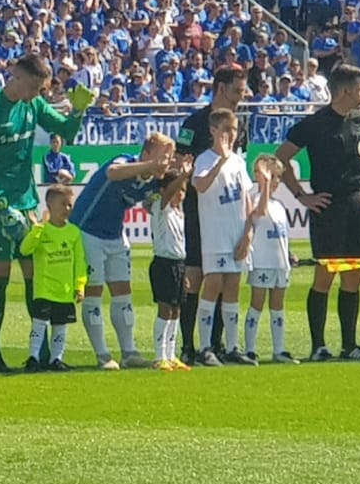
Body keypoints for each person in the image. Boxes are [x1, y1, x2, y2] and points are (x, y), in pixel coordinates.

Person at [0, 54, 91, 372]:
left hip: (25, 205)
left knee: (34, 277)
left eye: (41, 88)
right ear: (16, 76)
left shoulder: (33, 105)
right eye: (34, 86)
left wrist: (78, 110)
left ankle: (41, 354)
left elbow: (67, 130)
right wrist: (0, 205)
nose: (37, 93)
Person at [276, 64, 360, 361]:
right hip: (328, 207)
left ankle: (350, 345)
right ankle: (319, 345)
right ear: (344, 91)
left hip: (357, 205)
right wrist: (302, 196)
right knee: (325, 275)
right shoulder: (314, 124)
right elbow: (281, 159)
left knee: (354, 275)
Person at [69, 133, 173, 370]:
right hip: (88, 229)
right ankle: (103, 354)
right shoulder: (124, 161)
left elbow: (150, 202)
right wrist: (150, 166)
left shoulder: (154, 180)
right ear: (147, 153)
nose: (166, 161)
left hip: (115, 234)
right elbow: (112, 173)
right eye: (163, 156)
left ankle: (129, 351)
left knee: (123, 292)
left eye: (168, 157)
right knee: (94, 290)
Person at [176, 64, 249, 361]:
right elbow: (179, 163)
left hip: (230, 214)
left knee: (228, 276)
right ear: (220, 88)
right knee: (195, 275)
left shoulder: (238, 125)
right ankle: (189, 345)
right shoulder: (194, 123)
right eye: (236, 91)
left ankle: (219, 344)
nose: (240, 98)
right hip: (198, 210)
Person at [192, 108, 254, 367]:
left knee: (232, 289)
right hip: (215, 234)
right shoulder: (205, 159)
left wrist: (248, 234)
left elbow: (248, 200)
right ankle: (205, 346)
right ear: (213, 131)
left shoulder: (239, 162)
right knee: (213, 284)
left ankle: (232, 346)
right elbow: (200, 185)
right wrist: (221, 160)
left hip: (237, 234)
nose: (231, 135)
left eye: (234, 129)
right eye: (226, 129)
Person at [19, 185, 87, 372]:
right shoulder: (42, 230)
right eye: (63, 204)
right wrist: (37, 229)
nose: (67, 209)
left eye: (69, 205)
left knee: (61, 326)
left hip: (64, 290)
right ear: (49, 205)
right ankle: (33, 357)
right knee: (39, 323)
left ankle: (56, 359)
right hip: (44, 288)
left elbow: (79, 262)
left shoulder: (73, 232)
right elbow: (25, 249)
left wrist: (80, 285)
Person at [242, 156, 297, 364]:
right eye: (272, 176)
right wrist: (264, 185)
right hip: (262, 261)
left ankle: (279, 349)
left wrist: (289, 254)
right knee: (256, 304)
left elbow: (282, 234)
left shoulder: (279, 205)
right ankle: (250, 348)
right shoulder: (255, 199)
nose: (276, 181)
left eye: (278, 177)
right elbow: (259, 213)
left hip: (280, 263)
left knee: (278, 306)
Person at [149, 163, 192, 371]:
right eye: (177, 190)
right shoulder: (161, 208)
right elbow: (167, 196)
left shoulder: (178, 213)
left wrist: (183, 270)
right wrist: (183, 174)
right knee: (165, 309)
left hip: (178, 264)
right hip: (163, 263)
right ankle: (159, 355)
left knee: (176, 310)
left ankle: (171, 353)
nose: (180, 195)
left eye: (183, 191)